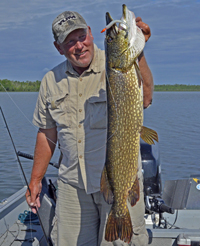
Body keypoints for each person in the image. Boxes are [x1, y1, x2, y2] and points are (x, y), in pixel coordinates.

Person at [26, 9, 153, 246]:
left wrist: (139, 51)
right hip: (72, 186)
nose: (79, 46)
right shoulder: (50, 82)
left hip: (118, 182)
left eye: (81, 36)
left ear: (91, 33)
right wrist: (35, 180)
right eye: (70, 41)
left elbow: (145, 98)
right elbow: (46, 134)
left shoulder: (116, 64)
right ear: (59, 48)